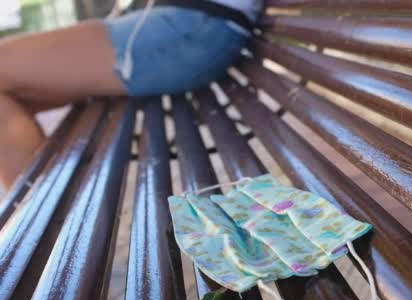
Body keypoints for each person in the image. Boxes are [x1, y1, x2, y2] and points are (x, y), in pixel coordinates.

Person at [0, 0, 263, 189]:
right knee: (14, 90)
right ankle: (37, 226)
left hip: (193, 24)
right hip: (190, 23)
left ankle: (37, 230)